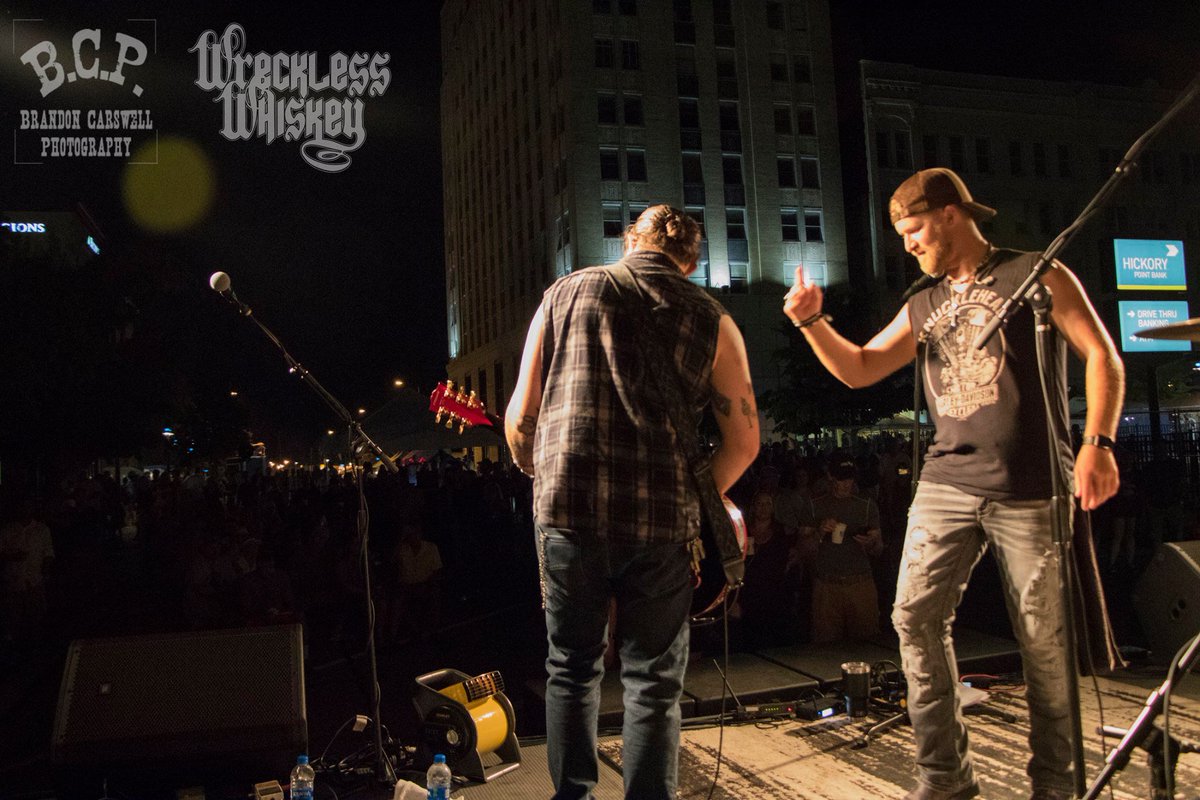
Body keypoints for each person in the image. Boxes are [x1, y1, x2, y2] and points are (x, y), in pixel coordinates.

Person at [783, 168, 1123, 800]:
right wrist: (811, 324)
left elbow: (1103, 356)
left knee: (1046, 645)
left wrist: (1097, 443)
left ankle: (1055, 786)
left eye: (912, 229)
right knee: (912, 616)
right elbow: (859, 369)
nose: (907, 243)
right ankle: (944, 781)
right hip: (946, 481)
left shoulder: (1037, 274)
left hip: (1029, 483)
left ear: (948, 214)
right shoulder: (922, 301)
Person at [506, 204, 759, 800]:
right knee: (654, 682)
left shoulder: (564, 294)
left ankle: (573, 794)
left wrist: (539, 471)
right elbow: (744, 442)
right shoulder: (714, 319)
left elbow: (521, 418)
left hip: (570, 512)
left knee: (571, 668)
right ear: (691, 262)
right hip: (663, 526)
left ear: (629, 242)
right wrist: (696, 503)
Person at [802, 455, 884, 643]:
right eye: (841, 479)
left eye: (849, 478)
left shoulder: (866, 505)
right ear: (831, 476)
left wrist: (870, 543)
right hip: (827, 585)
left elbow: (879, 548)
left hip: (860, 583)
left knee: (867, 641)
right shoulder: (815, 505)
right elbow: (803, 549)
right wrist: (820, 533)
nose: (846, 484)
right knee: (826, 645)